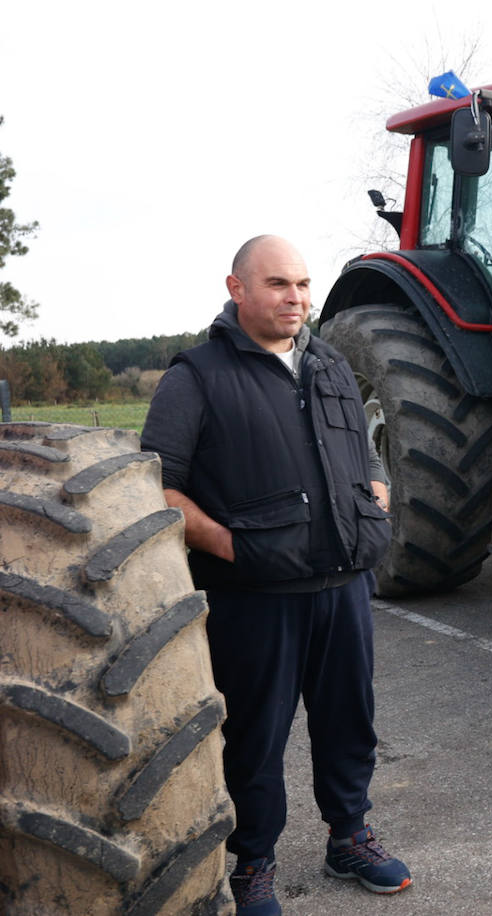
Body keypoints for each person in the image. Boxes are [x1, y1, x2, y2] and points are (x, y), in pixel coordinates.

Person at [141, 236, 410, 914]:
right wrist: (230, 546)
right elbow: (159, 486)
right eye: (278, 285)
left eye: (303, 285)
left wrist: (375, 490)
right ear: (237, 289)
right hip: (255, 597)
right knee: (256, 737)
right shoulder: (196, 376)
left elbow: (361, 449)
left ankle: (349, 837)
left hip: (344, 588)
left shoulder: (329, 365)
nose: (296, 298)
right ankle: (252, 862)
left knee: (350, 723)